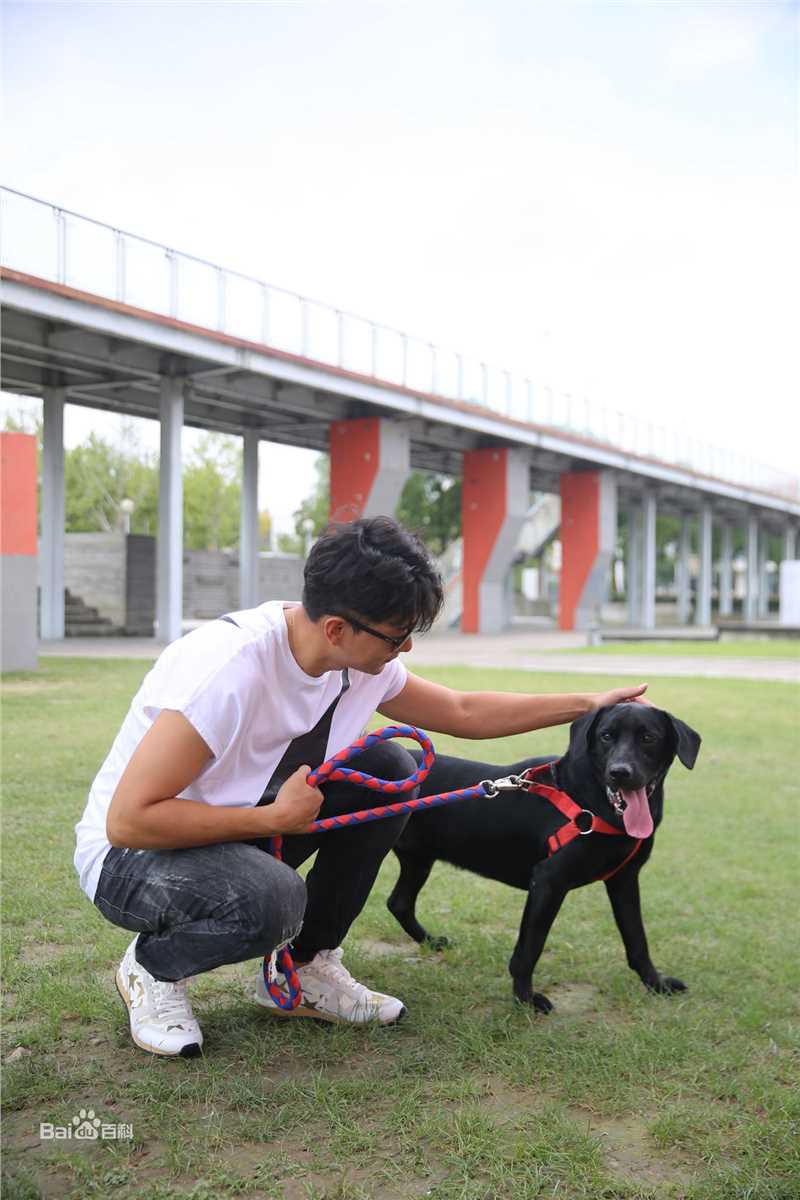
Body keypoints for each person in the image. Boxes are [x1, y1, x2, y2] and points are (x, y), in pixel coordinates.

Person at [74, 515, 649, 1058]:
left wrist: (589, 704)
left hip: (231, 830)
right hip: (134, 858)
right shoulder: (228, 672)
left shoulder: (350, 661)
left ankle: (305, 965)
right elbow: (130, 821)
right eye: (397, 637)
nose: (406, 650)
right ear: (336, 628)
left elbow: (463, 710)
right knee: (273, 899)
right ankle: (152, 967)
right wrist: (271, 821)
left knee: (392, 768)